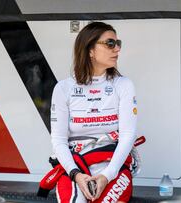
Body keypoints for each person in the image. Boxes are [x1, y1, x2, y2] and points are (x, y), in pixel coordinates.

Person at [50, 22, 137, 203]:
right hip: (75, 166)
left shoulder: (123, 85)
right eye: (110, 43)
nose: (117, 49)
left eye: (118, 43)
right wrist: (76, 175)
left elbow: (128, 135)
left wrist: (107, 175)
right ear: (90, 50)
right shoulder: (63, 89)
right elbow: (58, 140)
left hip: (112, 166)